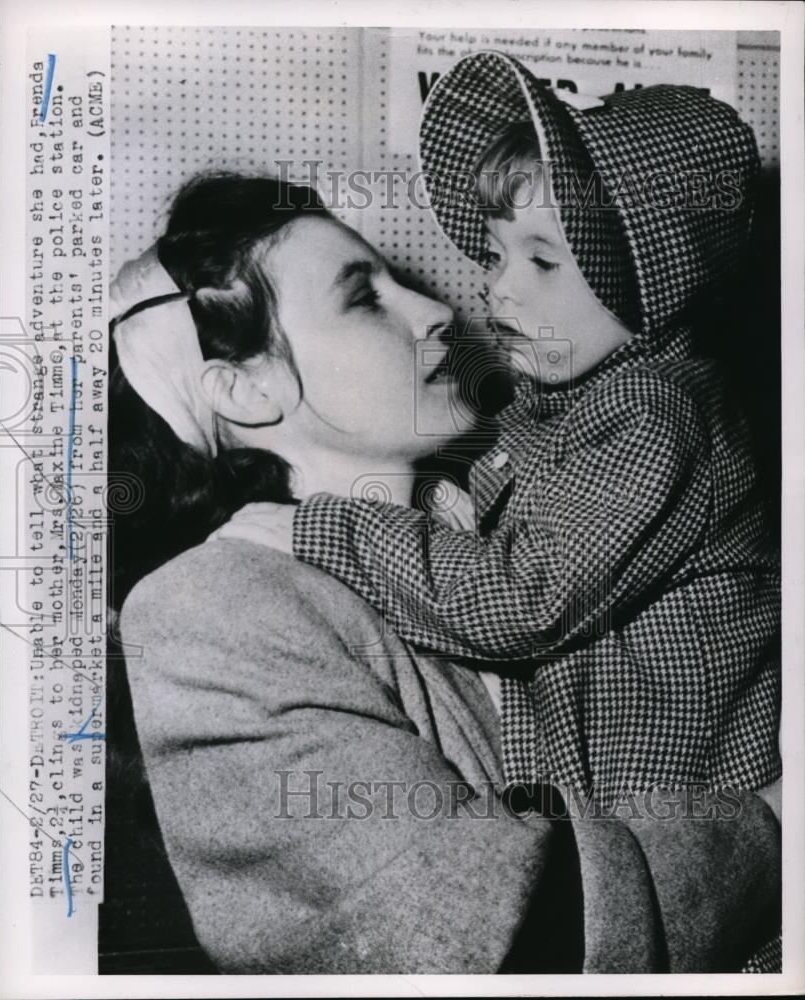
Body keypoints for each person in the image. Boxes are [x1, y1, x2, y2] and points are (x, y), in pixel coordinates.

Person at [112, 172, 781, 974]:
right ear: (246, 388)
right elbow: (508, 936)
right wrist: (775, 830)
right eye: (364, 298)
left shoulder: (501, 520)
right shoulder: (206, 608)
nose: (438, 310)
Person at [240, 53, 782, 820]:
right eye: (497, 255)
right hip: (621, 826)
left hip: (686, 838)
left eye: (544, 260)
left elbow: (524, 600)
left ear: (655, 274)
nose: (498, 285)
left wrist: (326, 529)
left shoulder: (656, 413)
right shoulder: (571, 400)